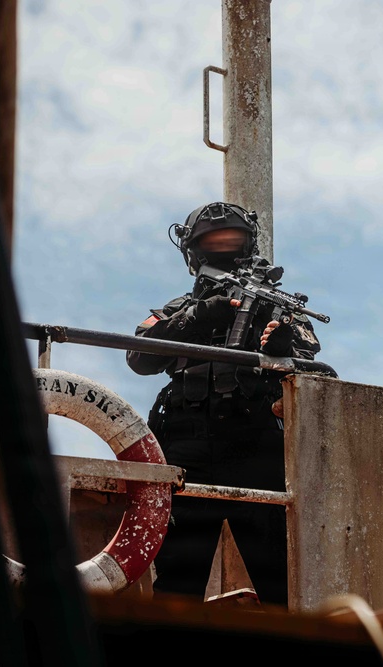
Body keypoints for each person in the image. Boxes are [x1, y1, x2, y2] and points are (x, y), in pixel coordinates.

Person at [126, 201, 321, 606]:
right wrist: (200, 316)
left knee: (281, 581)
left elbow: (314, 368)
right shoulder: (178, 309)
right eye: (214, 241)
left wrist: (282, 348)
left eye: (231, 240)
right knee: (178, 579)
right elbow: (139, 356)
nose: (223, 248)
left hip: (258, 446)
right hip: (188, 448)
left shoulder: (276, 306)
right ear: (195, 251)